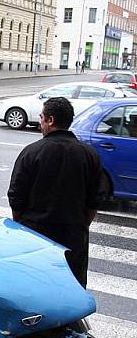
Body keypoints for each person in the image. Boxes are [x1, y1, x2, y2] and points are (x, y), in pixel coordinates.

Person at [7, 97, 104, 287]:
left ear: (50, 120)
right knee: (70, 287)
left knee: (36, 286)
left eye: (42, 118)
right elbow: (95, 199)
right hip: (73, 235)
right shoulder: (89, 154)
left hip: (35, 234)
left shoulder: (31, 152)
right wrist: (82, 225)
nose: (41, 122)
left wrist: (21, 222)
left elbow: (16, 196)